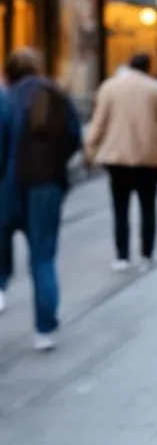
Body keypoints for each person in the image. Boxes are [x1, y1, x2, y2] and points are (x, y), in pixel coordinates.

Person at [0, 49, 82, 350]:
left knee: (4, 235)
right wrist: (56, 164)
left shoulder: (6, 98)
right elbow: (74, 136)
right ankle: (44, 329)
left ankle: (1, 284)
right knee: (43, 256)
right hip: (47, 184)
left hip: (10, 184)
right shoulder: (56, 94)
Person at [85, 53, 157, 273]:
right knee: (148, 207)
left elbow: (98, 123)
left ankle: (122, 255)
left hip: (117, 158)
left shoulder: (109, 87)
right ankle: (146, 254)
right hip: (149, 157)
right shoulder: (156, 90)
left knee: (120, 207)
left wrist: (91, 150)